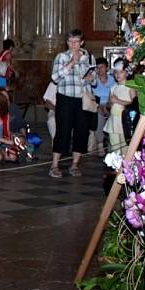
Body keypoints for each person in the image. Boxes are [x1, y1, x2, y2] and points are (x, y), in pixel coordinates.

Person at [49, 29, 95, 178]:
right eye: (70, 41)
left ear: (81, 42)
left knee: (81, 132)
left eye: (76, 41)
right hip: (66, 98)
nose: (73, 45)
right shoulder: (61, 57)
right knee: (63, 130)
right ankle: (54, 165)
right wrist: (71, 63)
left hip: (83, 99)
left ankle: (74, 164)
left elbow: (93, 80)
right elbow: (55, 77)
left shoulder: (89, 57)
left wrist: (90, 79)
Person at [104, 59, 136, 154]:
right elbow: (108, 105)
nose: (118, 75)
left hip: (124, 121)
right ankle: (117, 167)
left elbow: (133, 105)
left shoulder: (131, 87)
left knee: (125, 146)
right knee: (115, 147)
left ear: (127, 73)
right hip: (113, 120)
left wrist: (118, 100)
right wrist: (110, 103)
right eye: (116, 72)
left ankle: (125, 167)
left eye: (121, 72)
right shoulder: (113, 88)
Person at [89, 58, 115, 156]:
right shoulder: (94, 80)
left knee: (114, 115)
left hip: (110, 103)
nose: (100, 70)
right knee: (98, 116)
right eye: (98, 68)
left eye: (102, 67)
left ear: (106, 68)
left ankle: (111, 142)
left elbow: (113, 94)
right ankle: (100, 144)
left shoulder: (112, 79)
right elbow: (91, 96)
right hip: (97, 105)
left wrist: (108, 105)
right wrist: (100, 106)